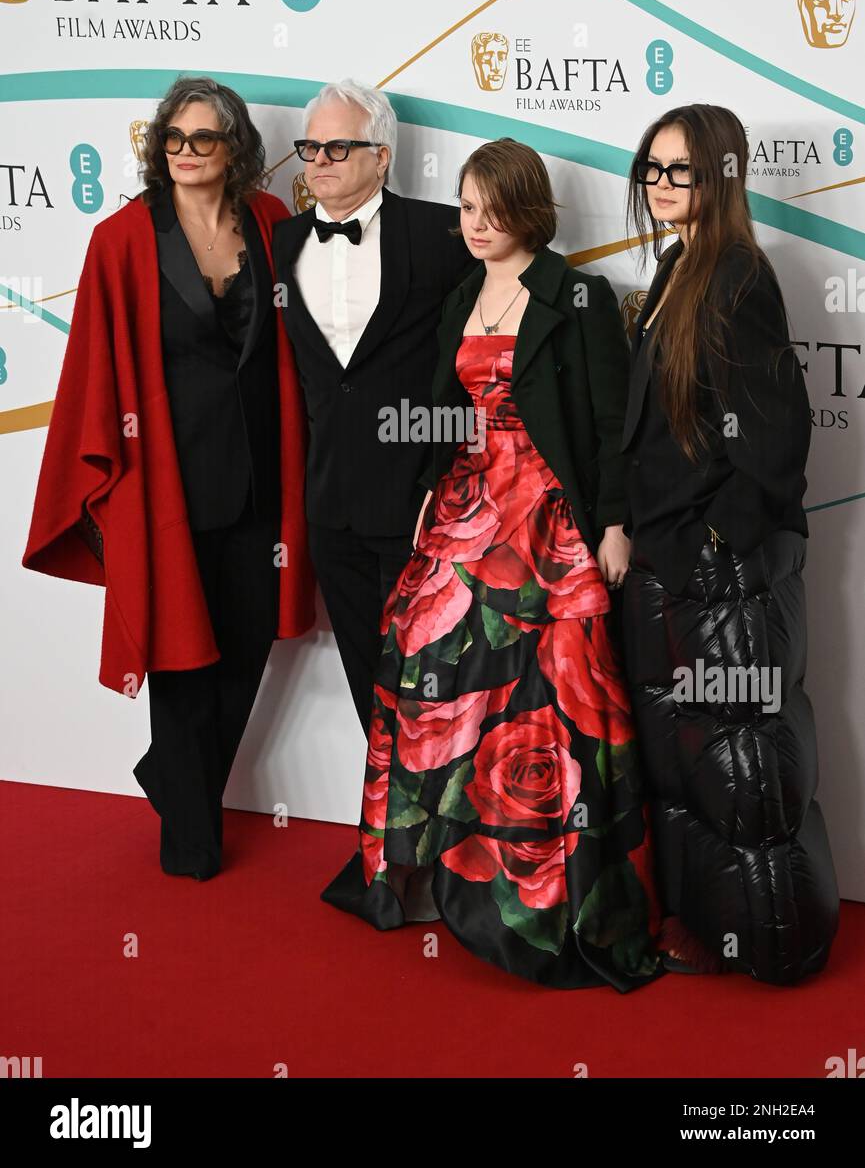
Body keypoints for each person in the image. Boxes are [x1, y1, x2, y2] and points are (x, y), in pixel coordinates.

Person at [321, 138, 663, 991]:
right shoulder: (461, 297)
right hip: (468, 507)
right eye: (465, 208)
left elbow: (611, 426)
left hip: (548, 514)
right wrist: (425, 500)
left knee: (551, 686)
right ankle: (440, 867)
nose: (474, 225)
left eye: (491, 209)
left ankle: (550, 899)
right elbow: (443, 414)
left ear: (529, 210)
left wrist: (613, 527)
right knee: (424, 659)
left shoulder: (578, 295)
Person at [23, 76, 315, 879]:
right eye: (173, 140)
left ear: (235, 150)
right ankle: (191, 840)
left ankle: (169, 776)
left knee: (246, 643)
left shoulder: (269, 221)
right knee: (184, 654)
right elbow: (95, 363)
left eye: (203, 140)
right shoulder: (122, 238)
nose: (185, 153)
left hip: (262, 475)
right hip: (168, 485)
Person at [620, 103, 839, 982]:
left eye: (682, 170)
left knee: (744, 769)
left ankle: (778, 947)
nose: (663, 185)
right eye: (653, 168)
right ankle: (717, 929)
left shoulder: (738, 274)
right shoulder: (678, 266)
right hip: (675, 562)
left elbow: (774, 441)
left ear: (722, 178)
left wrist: (718, 543)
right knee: (694, 767)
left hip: (724, 573)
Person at [272, 80, 477, 738]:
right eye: (311, 147)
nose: (319, 161)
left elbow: (492, 340)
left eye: (339, 146)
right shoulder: (280, 243)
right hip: (330, 512)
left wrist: (449, 472)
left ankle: (441, 838)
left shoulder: (440, 234)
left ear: (381, 155)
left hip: (419, 508)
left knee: (433, 684)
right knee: (369, 685)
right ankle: (384, 837)